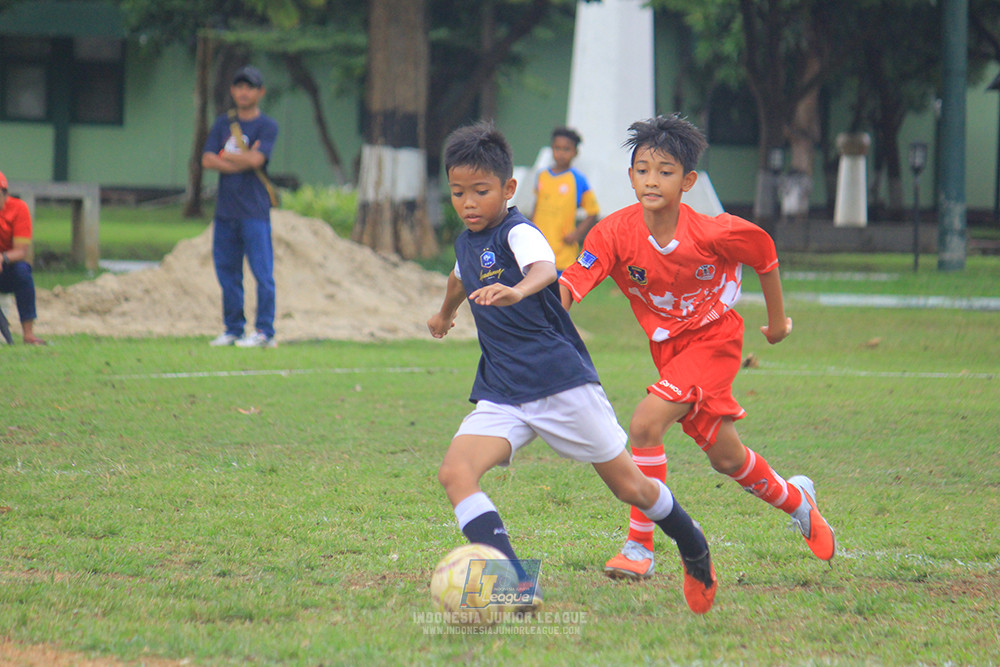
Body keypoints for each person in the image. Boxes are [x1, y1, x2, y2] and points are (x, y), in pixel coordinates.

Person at [428, 120, 717, 615]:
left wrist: (518, 289)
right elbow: (460, 275)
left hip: (560, 383)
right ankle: (516, 582)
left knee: (632, 487)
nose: (469, 203)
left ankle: (692, 543)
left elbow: (543, 270)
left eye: (481, 191)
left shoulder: (520, 233)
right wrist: (445, 312)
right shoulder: (466, 241)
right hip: (502, 388)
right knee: (456, 472)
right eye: (458, 192)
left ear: (509, 188)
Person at [559, 115, 836, 581]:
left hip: (715, 341)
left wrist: (776, 324)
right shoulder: (612, 233)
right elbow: (573, 283)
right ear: (630, 176)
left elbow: (764, 253)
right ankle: (797, 500)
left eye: (665, 171)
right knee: (726, 458)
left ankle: (639, 548)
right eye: (642, 169)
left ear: (687, 181)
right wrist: (544, 321)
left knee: (646, 422)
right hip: (669, 352)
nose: (651, 180)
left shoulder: (712, 231)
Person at [202, 65, 279, 348]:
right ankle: (233, 328)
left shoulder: (267, 126)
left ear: (260, 92)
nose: (244, 92)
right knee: (227, 272)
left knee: (262, 273)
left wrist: (226, 158)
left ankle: (264, 332)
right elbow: (207, 159)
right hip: (225, 212)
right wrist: (241, 160)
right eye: (239, 86)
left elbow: (257, 161)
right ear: (233, 90)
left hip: (254, 212)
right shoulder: (223, 124)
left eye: (250, 87)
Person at [529, 127, 600, 272]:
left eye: (566, 149)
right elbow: (537, 203)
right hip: (539, 247)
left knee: (561, 292)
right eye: (557, 148)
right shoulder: (542, 175)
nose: (561, 153)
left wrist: (577, 234)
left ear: (575, 152)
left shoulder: (578, 179)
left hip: (563, 252)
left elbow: (593, 212)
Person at [0, 171, 46, 345]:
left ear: (5, 194)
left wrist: (2, 258)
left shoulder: (19, 209)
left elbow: (21, 251)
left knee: (23, 271)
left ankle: (28, 333)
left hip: (7, 268)